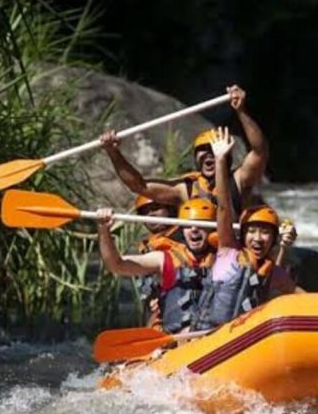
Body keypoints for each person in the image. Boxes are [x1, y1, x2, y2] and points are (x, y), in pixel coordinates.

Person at [98, 85, 269, 216]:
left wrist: (241, 111)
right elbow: (139, 186)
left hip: (229, 256)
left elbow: (259, 151)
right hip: (197, 256)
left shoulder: (240, 180)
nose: (210, 154)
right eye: (203, 151)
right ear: (196, 159)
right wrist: (114, 153)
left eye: (213, 149)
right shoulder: (185, 189)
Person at [192, 127, 299, 332]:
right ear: (243, 234)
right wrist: (221, 160)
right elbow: (224, 206)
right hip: (206, 335)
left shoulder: (273, 272)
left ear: (273, 239)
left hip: (242, 342)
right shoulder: (228, 250)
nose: (258, 239)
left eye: (265, 233)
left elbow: (302, 296)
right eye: (252, 231)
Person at [95, 198, 218, 333]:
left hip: (218, 333)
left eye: (201, 224)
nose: (194, 229)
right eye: (188, 225)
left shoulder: (226, 257)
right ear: (182, 229)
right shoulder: (164, 258)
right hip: (180, 338)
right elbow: (116, 265)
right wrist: (104, 230)